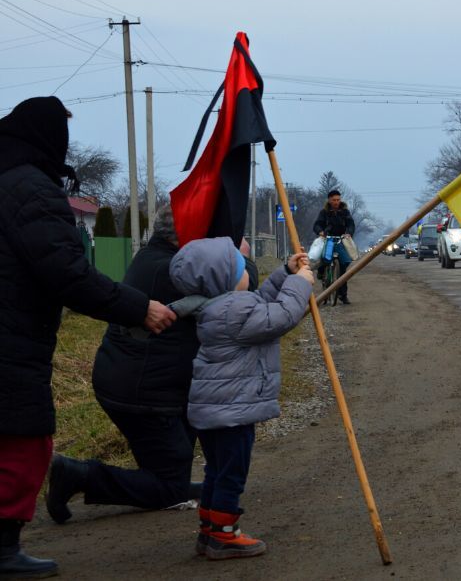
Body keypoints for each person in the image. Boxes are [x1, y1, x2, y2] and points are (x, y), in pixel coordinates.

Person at [0, 96, 175, 578]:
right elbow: (68, 273)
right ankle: (3, 548)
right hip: (12, 337)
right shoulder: (30, 190)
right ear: (46, 137)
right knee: (24, 438)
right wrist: (139, 308)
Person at [45, 206, 202, 525]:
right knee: (170, 489)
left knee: (174, 466)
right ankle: (77, 475)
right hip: (143, 394)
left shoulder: (153, 258)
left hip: (132, 382)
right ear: (185, 233)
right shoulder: (174, 270)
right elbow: (237, 285)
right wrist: (244, 258)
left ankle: (169, 479)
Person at [169, 238, 312, 560]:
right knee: (232, 472)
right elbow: (282, 316)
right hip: (232, 412)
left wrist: (283, 274)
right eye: (239, 267)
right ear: (225, 279)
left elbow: (260, 302)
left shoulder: (221, 306)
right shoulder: (235, 310)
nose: (246, 271)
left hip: (215, 410)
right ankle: (224, 536)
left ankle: (209, 529)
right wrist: (299, 284)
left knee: (216, 470)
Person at [312, 189, 355, 304]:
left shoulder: (345, 212)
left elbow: (351, 224)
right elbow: (317, 225)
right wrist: (320, 231)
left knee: (345, 263)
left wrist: (349, 233)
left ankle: (343, 295)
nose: (336, 202)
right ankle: (321, 272)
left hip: (340, 240)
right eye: (334, 200)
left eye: (338, 200)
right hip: (328, 240)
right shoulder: (324, 212)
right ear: (329, 200)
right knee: (325, 258)